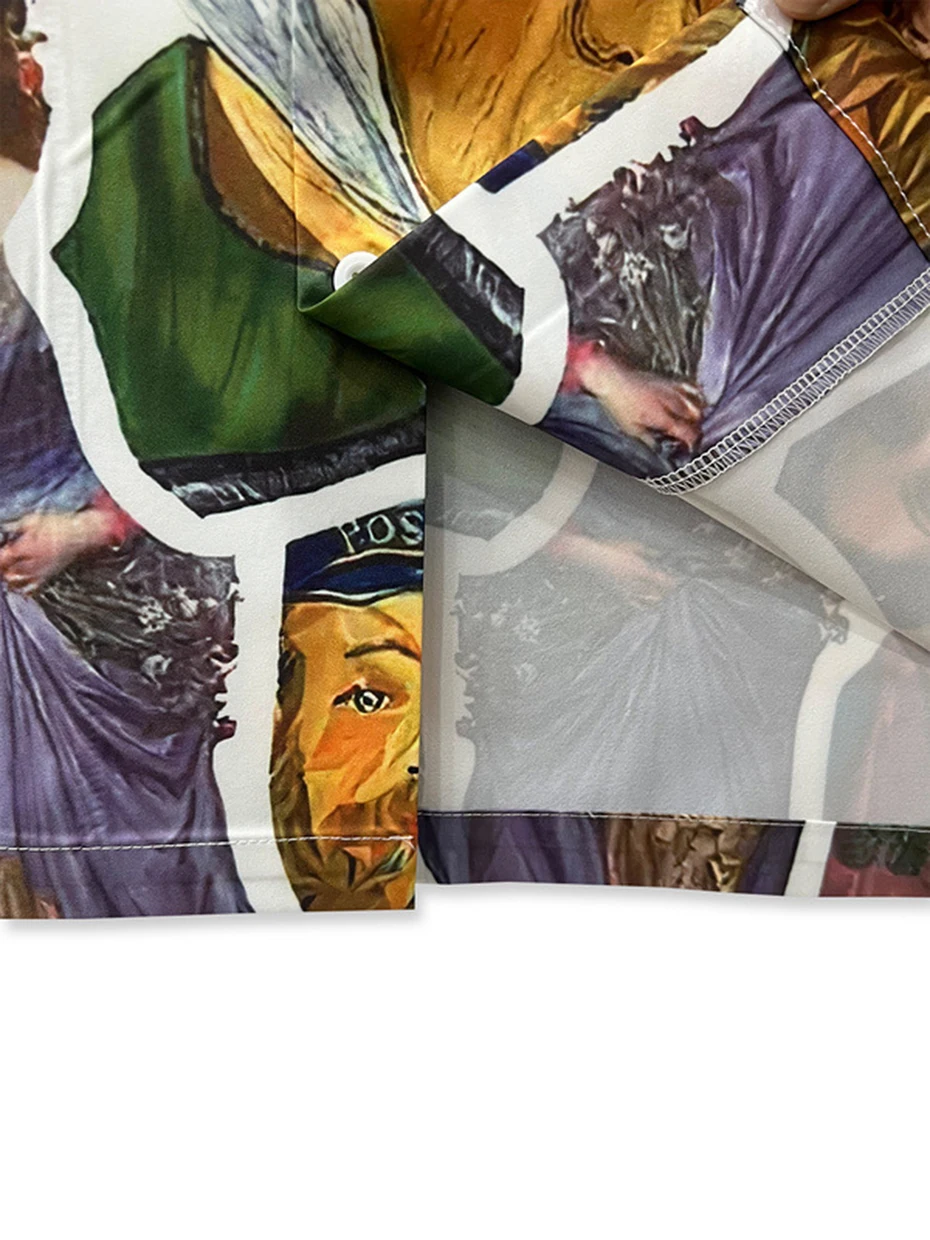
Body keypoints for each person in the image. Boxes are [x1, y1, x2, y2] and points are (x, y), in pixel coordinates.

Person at [0, 0, 250, 918]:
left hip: (111, 607)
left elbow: (212, 419)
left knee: (144, 879)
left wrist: (82, 531)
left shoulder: (85, 220)